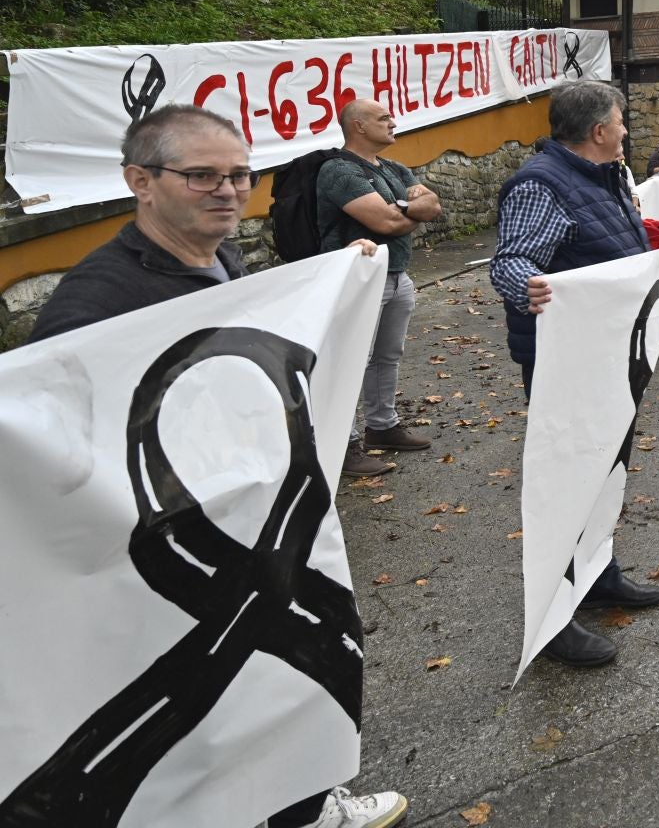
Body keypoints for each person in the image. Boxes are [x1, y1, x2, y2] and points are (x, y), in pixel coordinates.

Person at [30, 104, 407, 828]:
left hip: (247, 508)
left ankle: (296, 804)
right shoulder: (97, 300)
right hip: (163, 539)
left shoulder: (224, 261)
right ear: (139, 180)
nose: (228, 191)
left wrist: (344, 278)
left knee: (277, 678)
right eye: (202, 175)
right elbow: (56, 435)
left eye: (240, 175)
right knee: (226, 688)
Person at [491, 82, 659, 668]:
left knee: (604, 472)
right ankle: (552, 618)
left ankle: (597, 576)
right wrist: (529, 286)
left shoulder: (608, 177)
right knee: (569, 483)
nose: (626, 130)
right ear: (598, 130)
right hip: (565, 361)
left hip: (608, 355)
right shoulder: (540, 184)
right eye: (621, 121)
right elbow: (511, 262)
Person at [316, 99, 444, 475]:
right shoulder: (338, 171)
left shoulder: (393, 167)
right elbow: (385, 223)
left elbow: (433, 206)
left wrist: (402, 213)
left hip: (396, 274)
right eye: (383, 117)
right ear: (357, 126)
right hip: (357, 280)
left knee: (388, 356)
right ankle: (344, 442)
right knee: (349, 362)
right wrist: (409, 213)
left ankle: (382, 427)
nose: (393, 121)